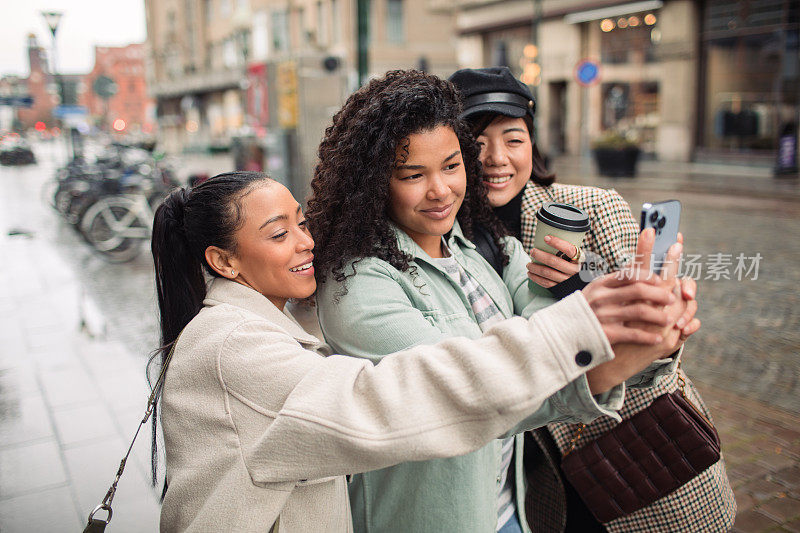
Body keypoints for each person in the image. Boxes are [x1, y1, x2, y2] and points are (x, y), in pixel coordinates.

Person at [150, 171, 682, 532]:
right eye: (278, 234)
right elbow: (395, 397)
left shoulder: (477, 247)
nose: (306, 242)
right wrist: (578, 330)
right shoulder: (234, 349)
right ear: (223, 261)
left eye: (302, 223)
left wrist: (618, 350)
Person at [308, 70, 695, 533]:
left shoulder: (484, 245)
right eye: (414, 174)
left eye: (452, 166)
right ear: (372, 182)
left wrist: (647, 329)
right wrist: (601, 355)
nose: (440, 190)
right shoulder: (357, 282)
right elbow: (461, 393)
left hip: (510, 511)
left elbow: (542, 320)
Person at [449, 66, 735, 532]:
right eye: (476, 143)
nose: (496, 158)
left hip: (641, 455)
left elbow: (657, 358)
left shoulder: (592, 207)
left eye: (514, 139)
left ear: (532, 143)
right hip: (543, 482)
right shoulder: (446, 234)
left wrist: (579, 288)